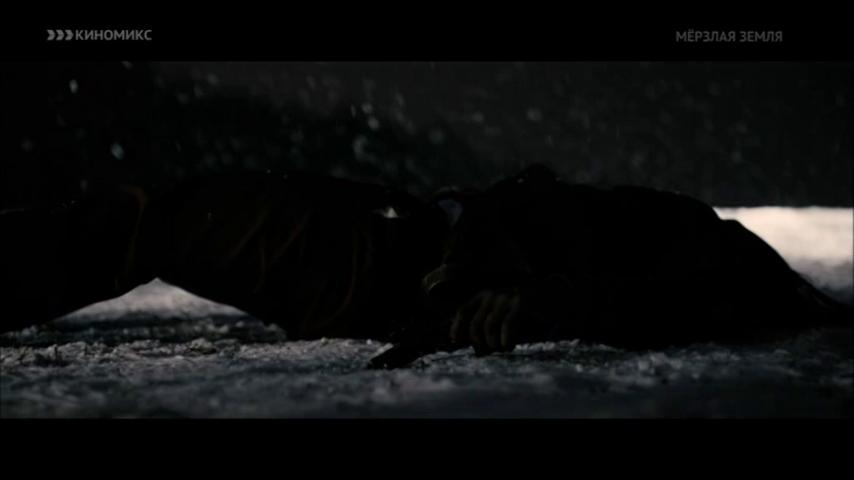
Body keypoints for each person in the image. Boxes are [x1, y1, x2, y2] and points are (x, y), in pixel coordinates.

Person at [1, 165, 849, 368]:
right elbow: (526, 209)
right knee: (157, 219)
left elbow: (526, 210)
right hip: (396, 259)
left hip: (380, 256)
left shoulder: (705, 263)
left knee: (157, 218)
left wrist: (511, 291)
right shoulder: (700, 258)